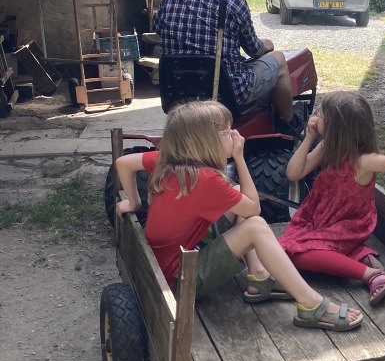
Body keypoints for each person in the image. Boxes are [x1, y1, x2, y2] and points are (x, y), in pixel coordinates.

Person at [115, 100, 363, 331]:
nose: (235, 134)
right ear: (205, 142)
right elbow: (253, 208)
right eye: (227, 131)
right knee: (255, 225)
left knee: (236, 194)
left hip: (174, 259)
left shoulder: (170, 160)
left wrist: (134, 203)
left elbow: (123, 163)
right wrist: (239, 157)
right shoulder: (204, 179)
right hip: (181, 279)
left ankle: (259, 275)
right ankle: (310, 304)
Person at [279, 90, 385, 305]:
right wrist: (310, 136)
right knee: (283, 251)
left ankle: (371, 274)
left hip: (348, 226)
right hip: (319, 219)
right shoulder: (327, 147)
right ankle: (358, 256)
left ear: (336, 128)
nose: (315, 114)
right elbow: (293, 173)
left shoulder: (364, 161)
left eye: (321, 113)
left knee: (298, 255)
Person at [154, 0, 295, 123]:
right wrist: (267, 44)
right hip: (227, 93)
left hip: (177, 91)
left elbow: (159, 28)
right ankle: (289, 123)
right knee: (279, 60)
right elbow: (254, 50)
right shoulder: (234, 2)